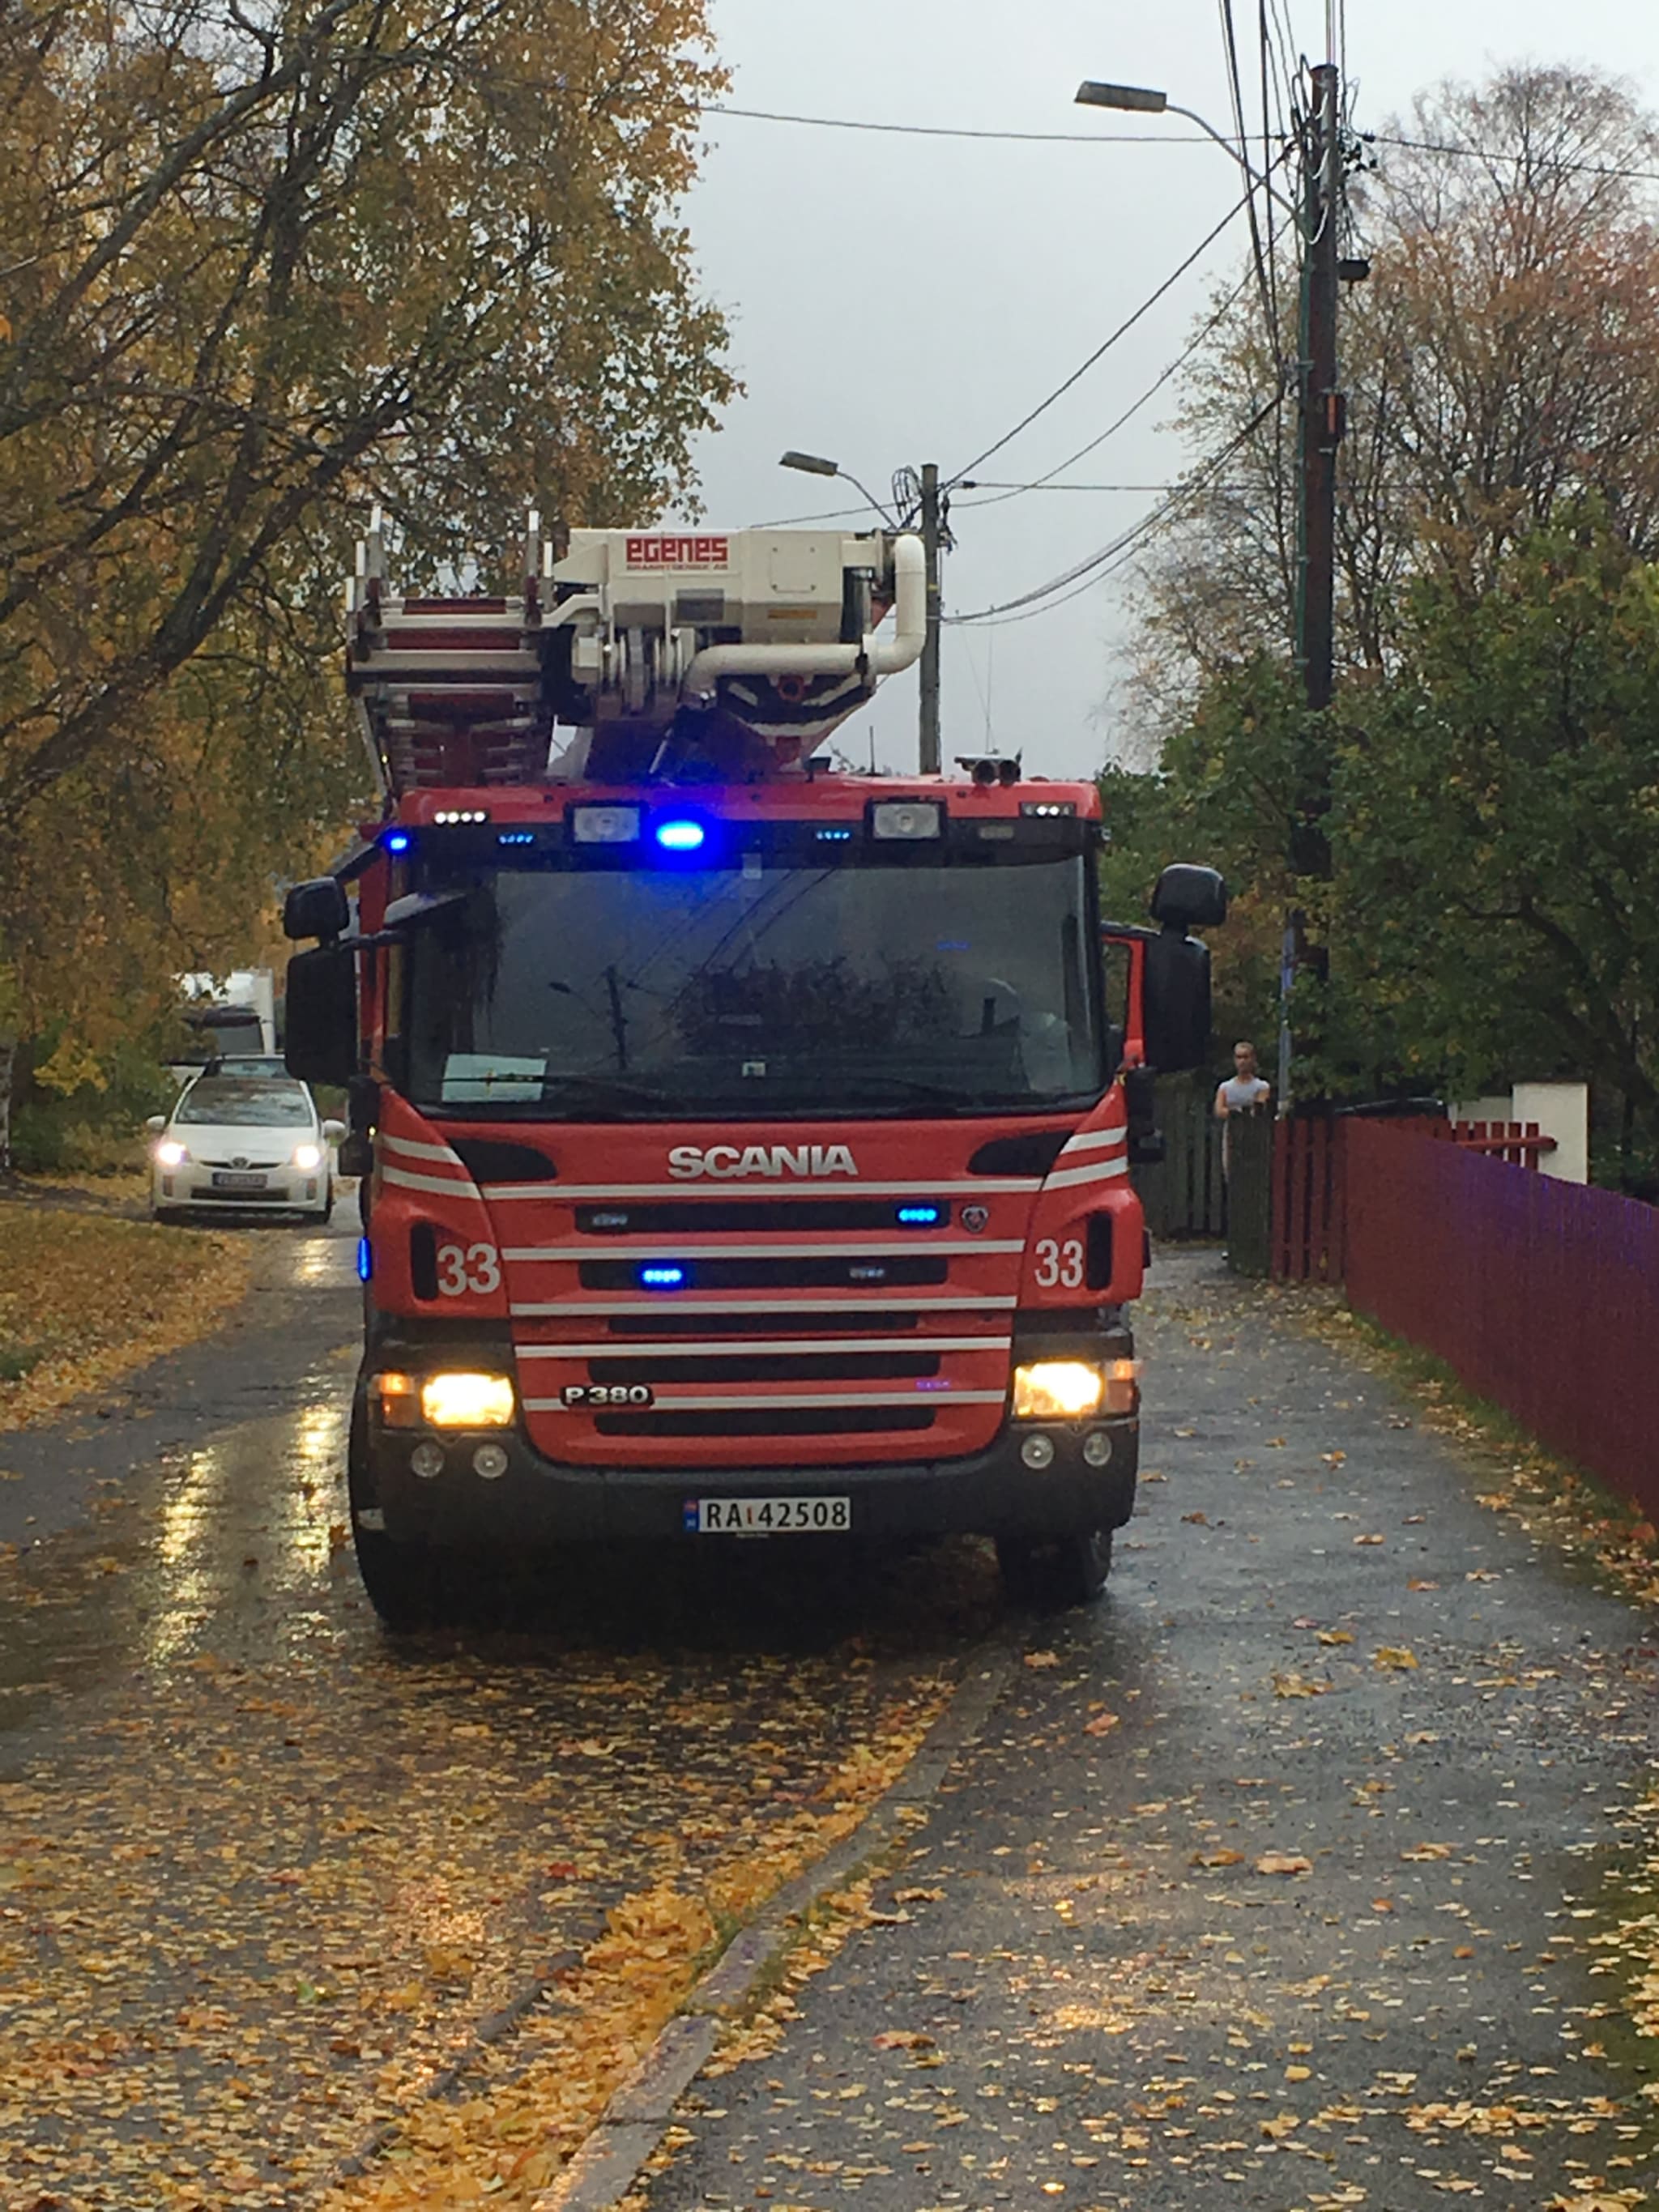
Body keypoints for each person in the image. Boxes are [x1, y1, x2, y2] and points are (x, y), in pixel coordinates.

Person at [1214, 1040, 1272, 1174]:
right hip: (1231, 1132)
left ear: (1253, 1059)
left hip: (1255, 1132)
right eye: (1239, 1057)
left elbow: (1259, 1107)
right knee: (1231, 1169)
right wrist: (1238, 1114)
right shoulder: (1225, 1087)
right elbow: (1219, 1110)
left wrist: (1234, 1112)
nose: (1242, 1061)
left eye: (1246, 1057)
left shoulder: (1262, 1086)